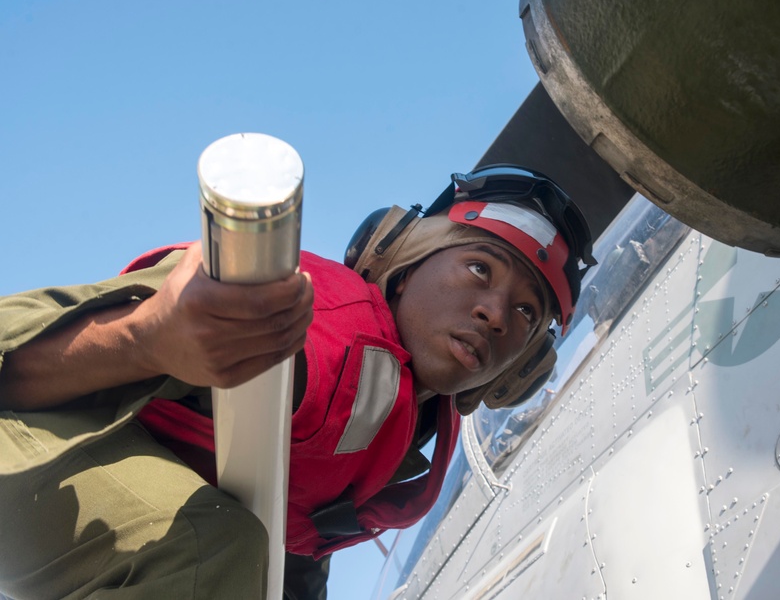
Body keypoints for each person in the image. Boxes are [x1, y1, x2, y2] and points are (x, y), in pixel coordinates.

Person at [0, 165, 594, 599]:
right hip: (31, 445)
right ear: (405, 267)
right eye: (478, 268)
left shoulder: (402, 447)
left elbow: (292, 548)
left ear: (523, 368)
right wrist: (144, 338)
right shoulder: (307, 322)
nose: (494, 312)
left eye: (525, 314)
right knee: (219, 548)